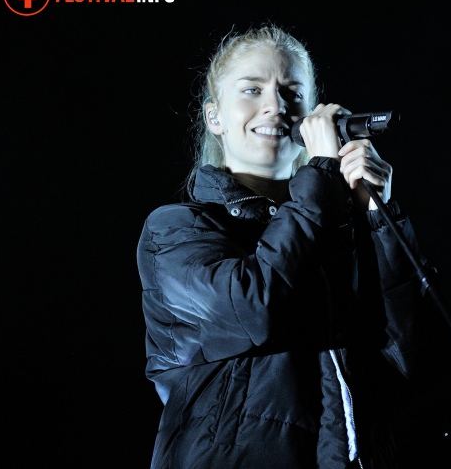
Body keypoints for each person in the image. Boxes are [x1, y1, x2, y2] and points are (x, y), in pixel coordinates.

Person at [136, 24, 428, 469]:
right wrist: (321, 173)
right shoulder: (175, 230)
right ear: (215, 118)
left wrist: (377, 217)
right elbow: (255, 308)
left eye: (292, 94)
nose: (275, 107)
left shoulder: (336, 226)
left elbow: (410, 353)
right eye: (252, 90)